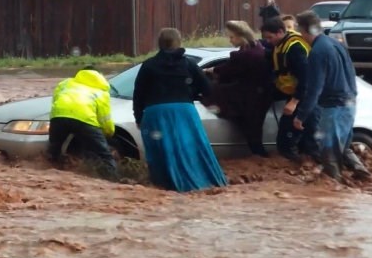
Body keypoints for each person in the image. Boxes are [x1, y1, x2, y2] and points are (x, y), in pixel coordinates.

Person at [133, 28, 228, 192]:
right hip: (184, 111)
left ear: (159, 44)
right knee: (191, 146)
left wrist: (139, 117)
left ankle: (164, 185)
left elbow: (138, 93)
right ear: (179, 43)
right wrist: (191, 93)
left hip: (155, 113)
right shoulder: (188, 64)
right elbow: (208, 89)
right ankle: (200, 183)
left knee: (161, 150)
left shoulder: (148, 65)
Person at [293, 10, 360, 181]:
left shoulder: (317, 51)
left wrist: (301, 115)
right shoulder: (335, 44)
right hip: (349, 103)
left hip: (333, 107)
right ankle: (365, 177)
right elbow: (351, 72)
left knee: (328, 151)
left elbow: (314, 88)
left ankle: (333, 192)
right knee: (343, 148)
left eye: (300, 32)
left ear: (305, 31)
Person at [202, 20, 273, 157]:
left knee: (254, 137)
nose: (230, 40)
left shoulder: (245, 54)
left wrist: (211, 71)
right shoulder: (255, 48)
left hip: (250, 99)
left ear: (242, 36)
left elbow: (228, 70)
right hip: (258, 97)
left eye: (232, 37)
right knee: (253, 134)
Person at [260, 17, 318, 163]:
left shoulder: (295, 48)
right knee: (304, 140)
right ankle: (304, 164)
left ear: (280, 32)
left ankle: (295, 168)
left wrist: (294, 102)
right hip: (292, 92)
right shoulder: (281, 43)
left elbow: (306, 78)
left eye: (269, 37)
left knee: (286, 140)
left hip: (303, 96)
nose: (268, 41)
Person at [48, 67, 118, 181]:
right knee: (104, 155)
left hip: (58, 116)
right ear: (100, 75)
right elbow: (105, 118)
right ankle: (113, 180)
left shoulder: (65, 83)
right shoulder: (101, 91)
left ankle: (49, 173)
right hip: (85, 120)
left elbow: (55, 100)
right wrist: (108, 133)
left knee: (54, 149)